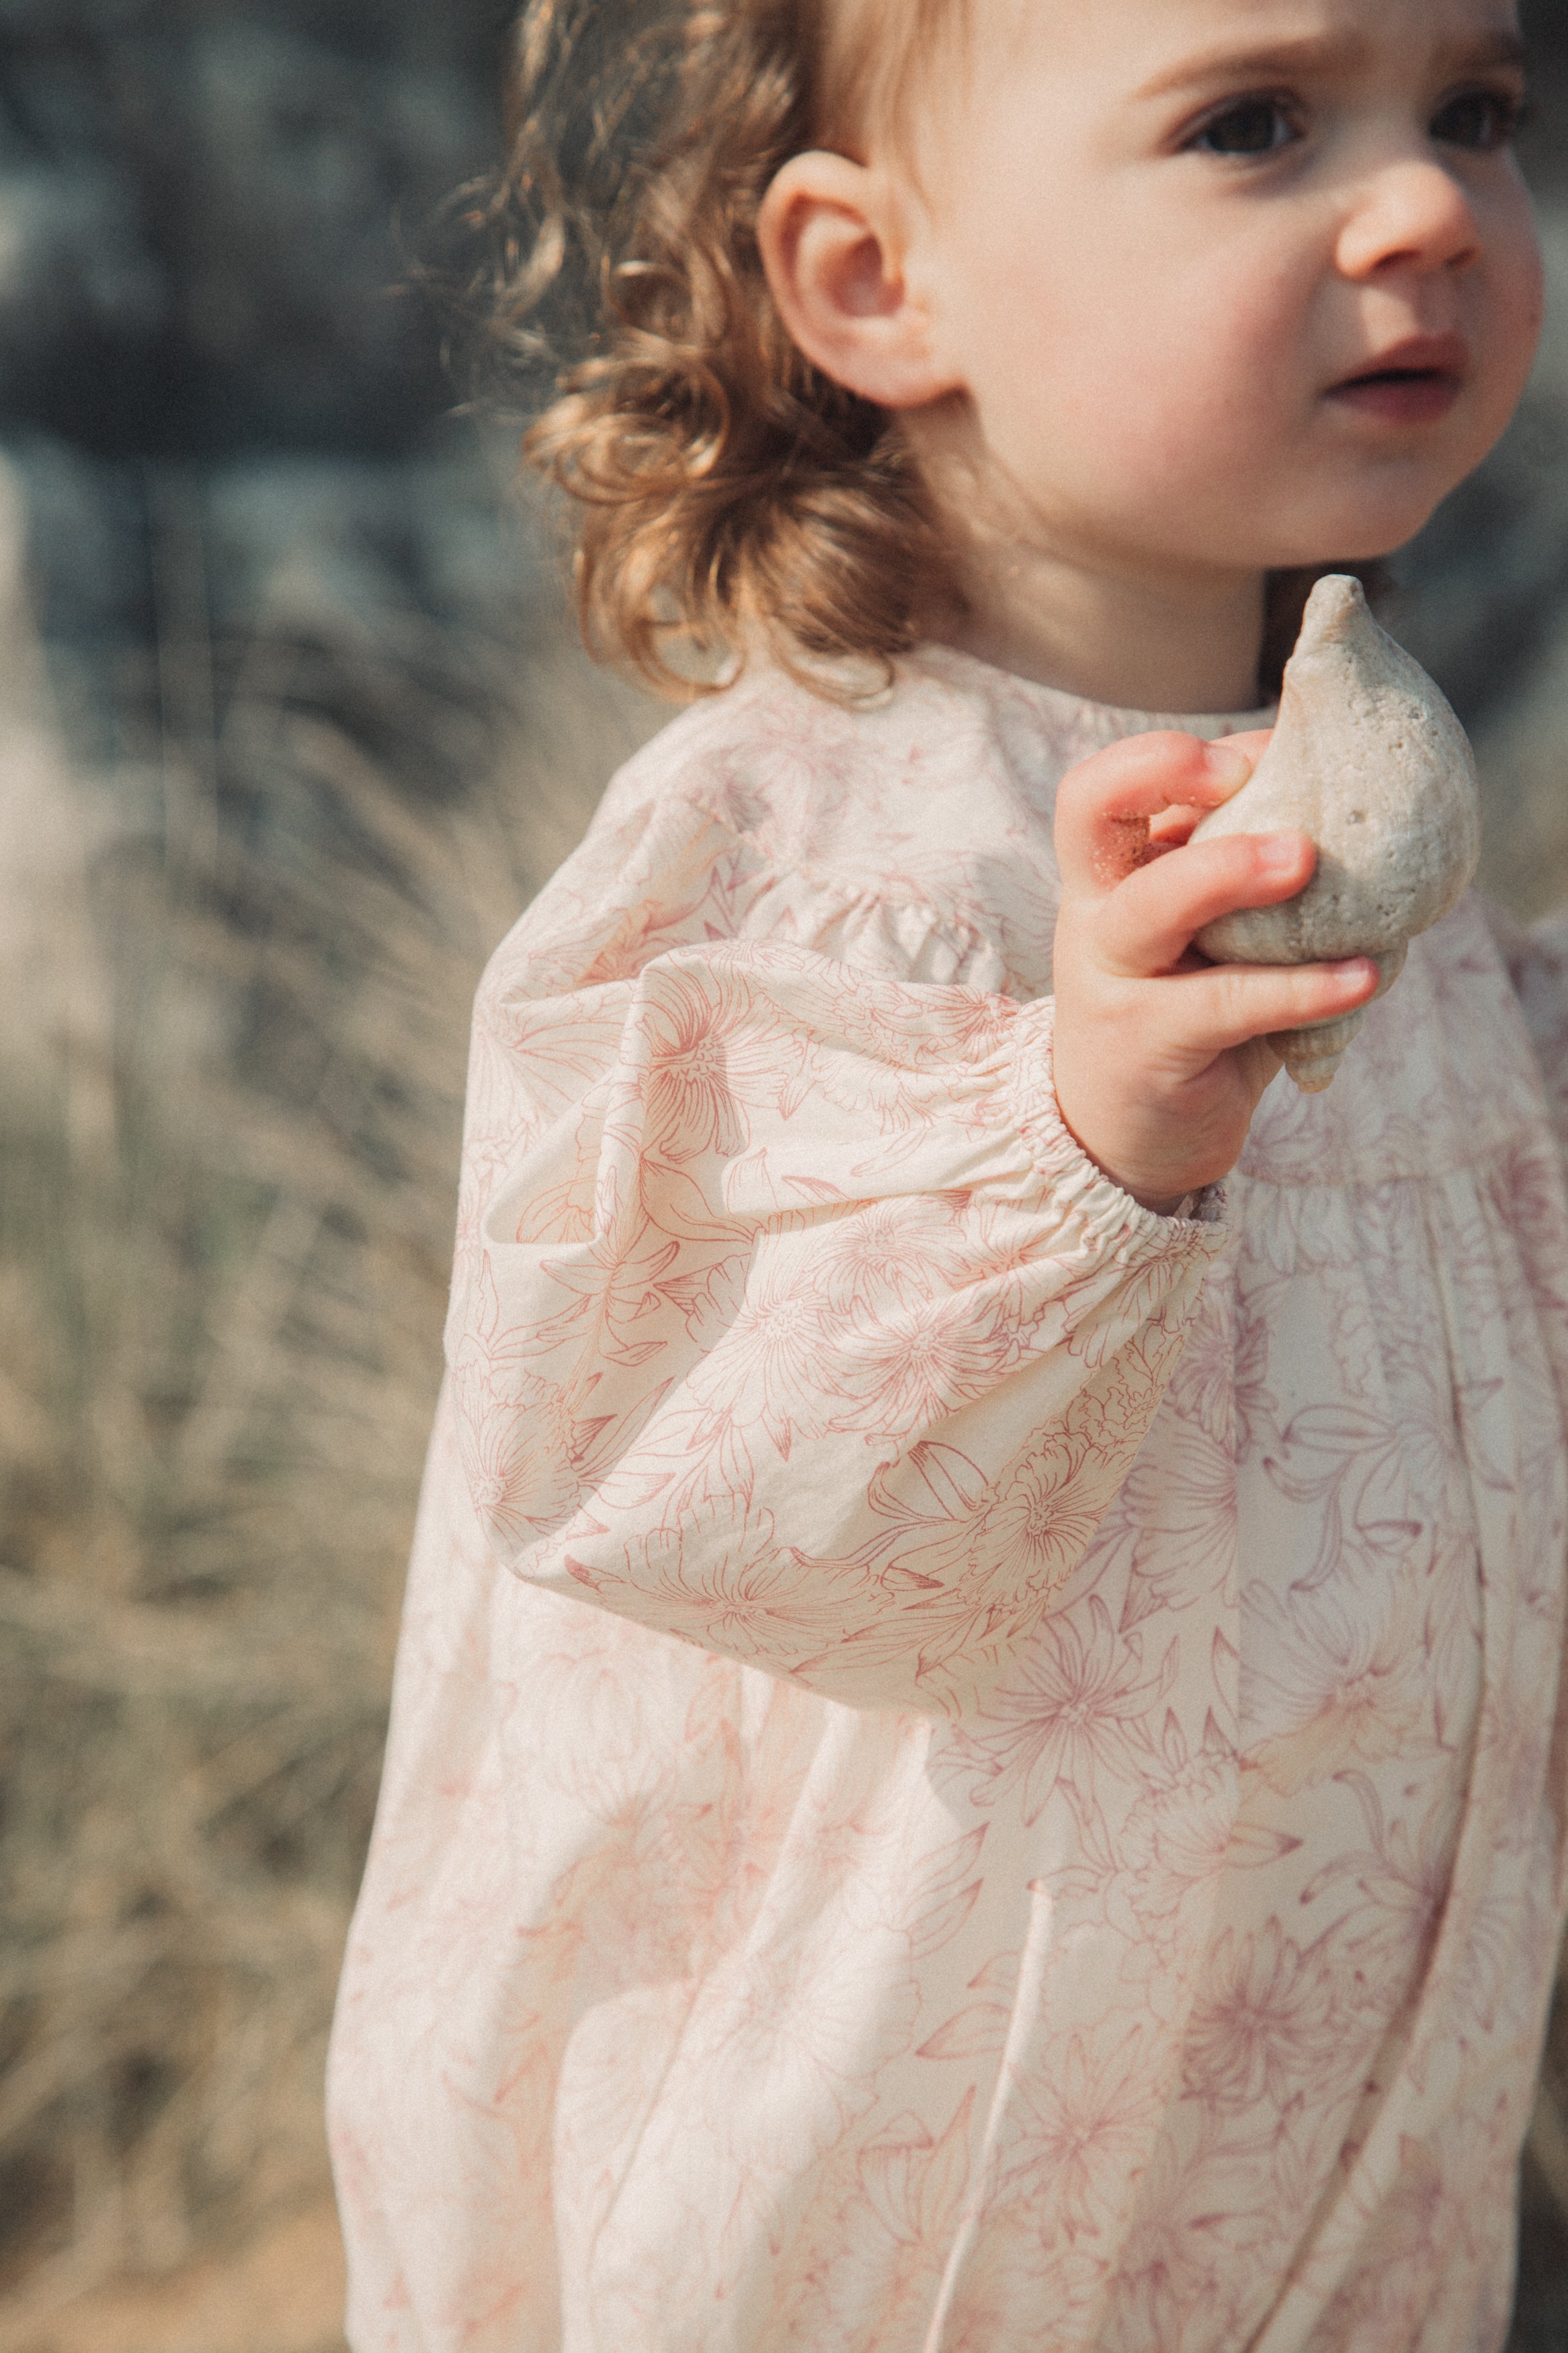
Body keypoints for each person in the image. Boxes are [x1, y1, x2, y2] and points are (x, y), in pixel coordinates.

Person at [327, 1, 1568, 2344]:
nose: (1426, 209)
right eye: (1258, 122)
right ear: (879, 285)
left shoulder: (1388, 850)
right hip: (889, 2217)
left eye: (1478, 112)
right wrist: (1074, 1134)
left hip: (1321, 2205)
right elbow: (682, 1473)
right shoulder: (809, 863)